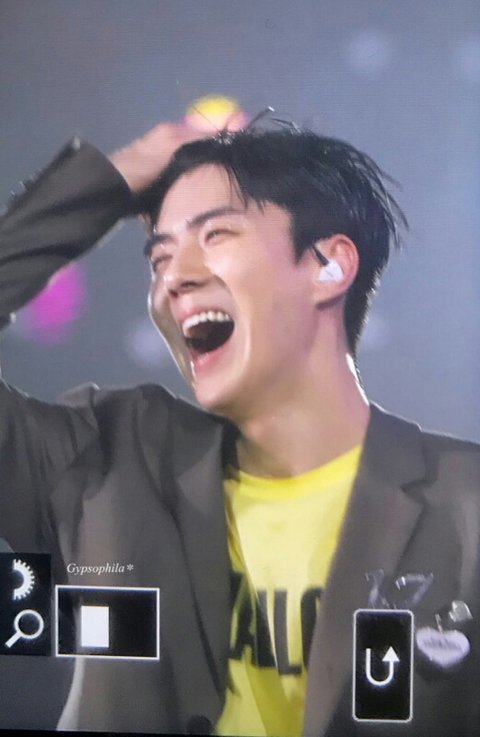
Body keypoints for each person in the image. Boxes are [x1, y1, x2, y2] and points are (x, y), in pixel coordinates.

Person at [0, 118, 479, 737]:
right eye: (160, 258)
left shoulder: (465, 507)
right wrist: (109, 181)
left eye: (215, 235)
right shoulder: (105, 462)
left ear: (329, 266)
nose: (174, 279)